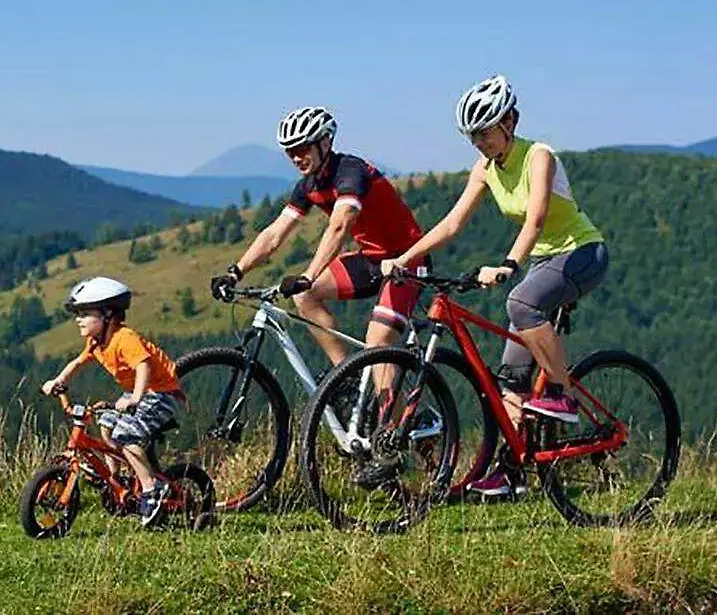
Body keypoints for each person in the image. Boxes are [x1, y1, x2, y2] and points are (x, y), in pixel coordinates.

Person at [381, 74, 609, 498]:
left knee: (521, 301)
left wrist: (508, 264)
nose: (480, 142)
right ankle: (511, 473)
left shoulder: (539, 156)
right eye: (473, 136)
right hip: (542, 261)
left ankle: (563, 395)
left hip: (582, 253)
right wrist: (405, 258)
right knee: (511, 376)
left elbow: (537, 218)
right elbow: (451, 223)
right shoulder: (485, 169)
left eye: (485, 132)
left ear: (509, 122)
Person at [210, 106, 429, 367]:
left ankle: (389, 408)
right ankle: (345, 375)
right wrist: (236, 271)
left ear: (325, 142)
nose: (296, 157)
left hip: (407, 260)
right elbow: (274, 234)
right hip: (371, 260)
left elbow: (339, 226)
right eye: (290, 152)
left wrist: (308, 275)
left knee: (377, 348)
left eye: (302, 149)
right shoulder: (309, 185)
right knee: (305, 296)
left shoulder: (351, 172)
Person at [42, 276, 184, 526]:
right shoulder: (96, 341)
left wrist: (136, 399)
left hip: (161, 393)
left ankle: (151, 490)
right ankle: (116, 480)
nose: (78, 319)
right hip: (139, 393)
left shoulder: (123, 337)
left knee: (126, 435)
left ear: (108, 314)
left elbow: (143, 366)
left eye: (85, 313)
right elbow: (78, 363)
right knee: (106, 424)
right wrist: (58, 381)